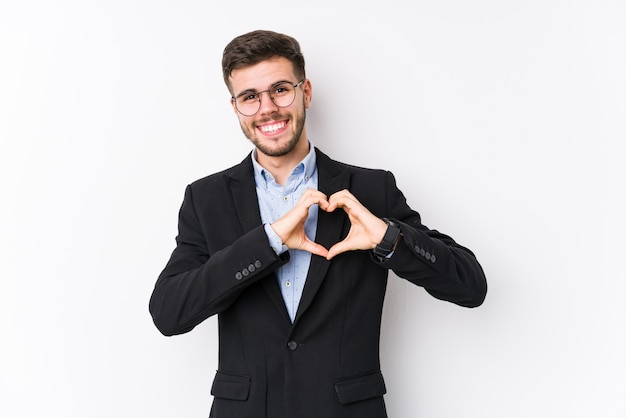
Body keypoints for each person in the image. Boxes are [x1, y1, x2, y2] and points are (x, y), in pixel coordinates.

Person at [149, 29, 487, 418]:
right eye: (250, 97)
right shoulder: (206, 199)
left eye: (280, 89)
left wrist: (387, 237)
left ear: (305, 92)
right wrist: (269, 241)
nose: (267, 108)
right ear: (236, 107)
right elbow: (168, 313)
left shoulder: (370, 190)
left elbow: (471, 285)